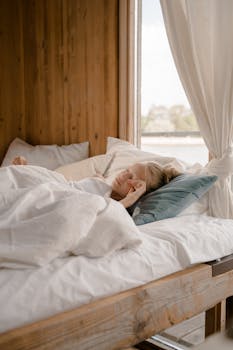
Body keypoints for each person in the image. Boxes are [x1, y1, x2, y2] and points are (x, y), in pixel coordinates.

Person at [12, 156, 180, 208]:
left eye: (131, 177)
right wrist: (30, 172)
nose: (123, 174)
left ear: (138, 190)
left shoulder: (114, 207)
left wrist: (131, 199)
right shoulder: (103, 186)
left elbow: (97, 210)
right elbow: (69, 188)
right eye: (127, 170)